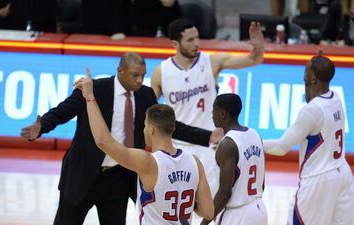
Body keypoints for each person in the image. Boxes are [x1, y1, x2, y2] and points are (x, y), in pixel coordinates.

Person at [20, 52, 220, 225]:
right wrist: (41, 127)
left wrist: (207, 136)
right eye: (135, 75)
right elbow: (63, 111)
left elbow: (167, 127)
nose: (140, 81)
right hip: (83, 173)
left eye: (143, 75)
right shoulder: (95, 88)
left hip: (118, 178)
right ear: (120, 71)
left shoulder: (146, 95)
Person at [150, 19, 264, 218]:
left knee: (211, 210)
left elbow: (253, 60)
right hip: (177, 148)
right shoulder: (161, 72)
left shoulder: (211, 61)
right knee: (177, 214)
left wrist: (259, 45)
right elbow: (151, 113)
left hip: (209, 149)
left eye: (197, 37)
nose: (197, 43)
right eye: (190, 40)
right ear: (175, 44)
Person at [74, 69, 214, 224]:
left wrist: (90, 99)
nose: (143, 129)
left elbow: (103, 141)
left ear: (151, 129)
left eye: (145, 125)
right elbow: (208, 212)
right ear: (173, 128)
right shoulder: (195, 162)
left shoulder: (147, 162)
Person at [263, 50, 354, 225]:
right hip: (342, 173)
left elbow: (281, 147)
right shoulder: (336, 98)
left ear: (313, 78)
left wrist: (254, 143)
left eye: (306, 69)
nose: (303, 73)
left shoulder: (312, 111)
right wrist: (317, 63)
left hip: (318, 179)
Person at [200, 94, 267, 225]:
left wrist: (203, 223)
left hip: (237, 215)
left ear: (223, 114)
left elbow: (225, 193)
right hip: (259, 210)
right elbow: (262, 182)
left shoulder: (227, 145)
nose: (212, 114)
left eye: (214, 110)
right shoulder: (255, 134)